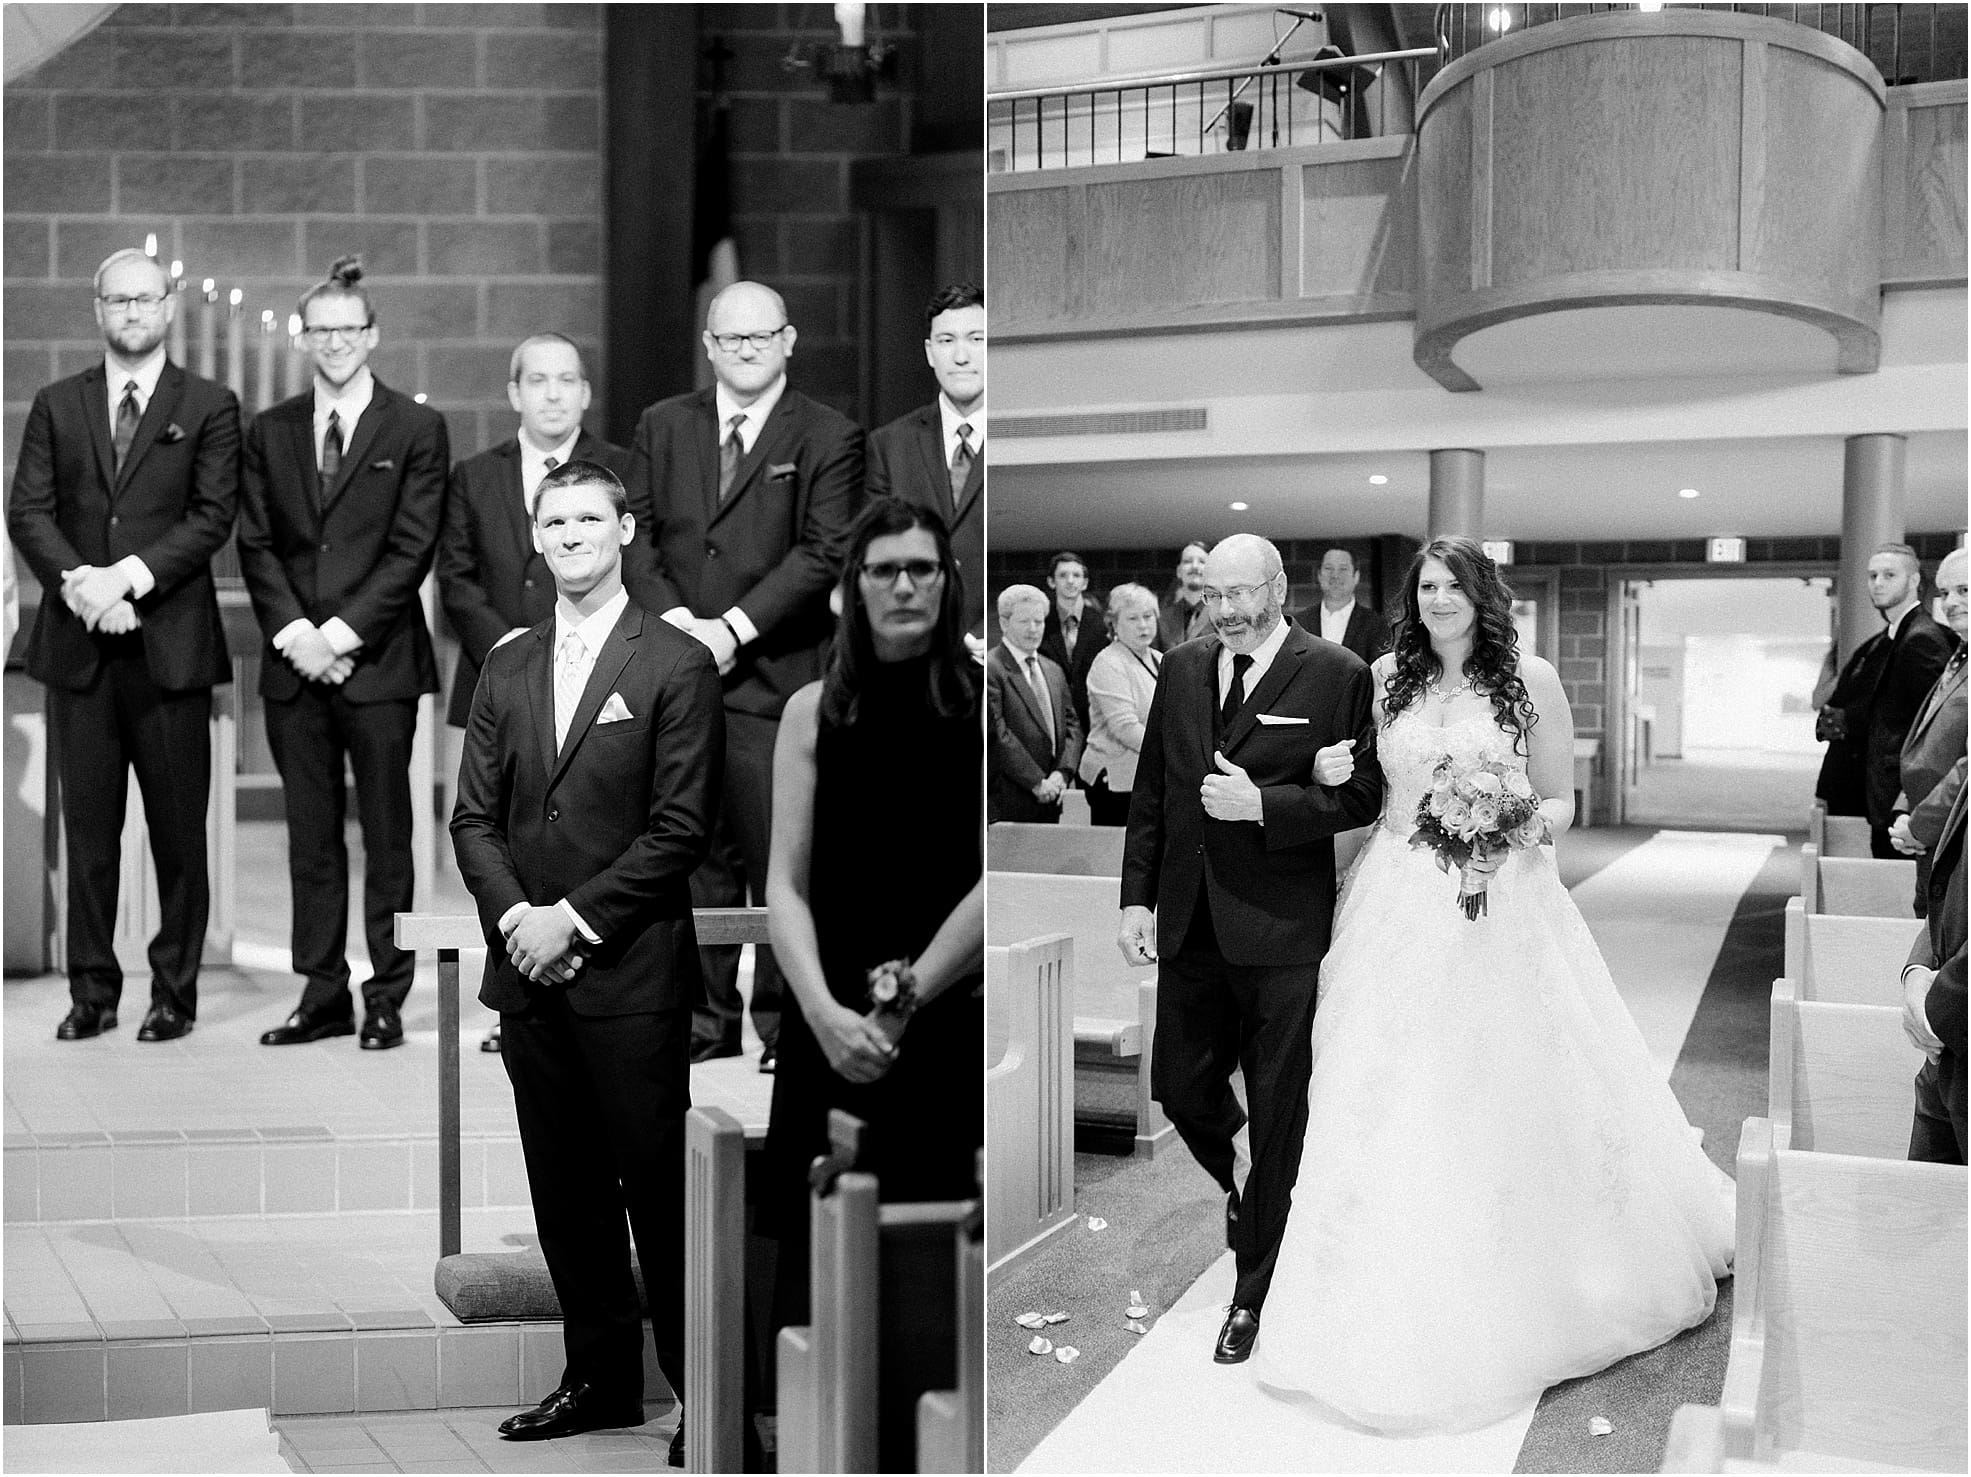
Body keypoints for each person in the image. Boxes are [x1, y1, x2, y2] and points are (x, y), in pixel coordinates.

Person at [1250, 536, 1734, 1434]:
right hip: (1392, 896)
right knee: (1372, 1080)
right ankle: (1369, 1267)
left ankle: (1527, 1265)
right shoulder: (1385, 674)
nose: (1438, 600)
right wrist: (1328, 778)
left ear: (1482, 594)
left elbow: (1560, 800)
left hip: (1498, 896)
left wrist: (1507, 822)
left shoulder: (1530, 679)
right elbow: (1363, 786)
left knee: (1501, 1078)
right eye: (1425, 586)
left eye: (1453, 586)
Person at [450, 461, 722, 1459]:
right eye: (552, 520)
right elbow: (472, 817)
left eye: (587, 519)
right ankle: (601, 1380)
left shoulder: (676, 661)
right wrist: (520, 917)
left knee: (659, 1192)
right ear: (535, 535)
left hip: (629, 970)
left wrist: (573, 918)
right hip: (528, 970)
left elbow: (681, 828)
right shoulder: (508, 662)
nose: (569, 535)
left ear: (624, 531)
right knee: (562, 1192)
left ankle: (709, 1392)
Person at [1118, 534, 1384, 1365]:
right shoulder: (1185, 666)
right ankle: (1246, 1178)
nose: (1227, 611)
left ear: (1278, 587)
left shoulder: (1336, 672)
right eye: (1214, 596)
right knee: (1179, 1087)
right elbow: (1154, 792)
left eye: (1243, 594)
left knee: (1280, 1109)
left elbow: (1365, 795)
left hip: (1280, 930)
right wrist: (1135, 897)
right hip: (1190, 921)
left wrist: (1263, 806)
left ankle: (1252, 1292)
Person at [760, 496, 982, 1468]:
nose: (904, 585)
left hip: (940, 1022)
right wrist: (821, 1011)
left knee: (924, 1265)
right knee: (819, 1262)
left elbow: (988, 877)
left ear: (945, 579)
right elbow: (785, 884)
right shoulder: (814, 710)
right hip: (830, 1026)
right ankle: (815, 1446)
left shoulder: (979, 699)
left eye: (921, 569)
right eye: (885, 568)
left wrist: (911, 993)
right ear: (855, 585)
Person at [627, 279, 864, 1069]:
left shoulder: (829, 435)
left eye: (760, 337)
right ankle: (706, 1017)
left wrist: (729, 628)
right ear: (708, 345)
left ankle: (785, 1024)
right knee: (692, 857)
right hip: (678, 679)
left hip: (776, 682)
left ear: (789, 341)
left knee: (780, 863)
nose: (745, 351)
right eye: (729, 339)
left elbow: (824, 550)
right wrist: (681, 629)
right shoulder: (663, 424)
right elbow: (640, 537)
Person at [8, 247, 240, 1044]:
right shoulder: (57, 401)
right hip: (80, 648)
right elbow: (28, 511)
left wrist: (126, 580)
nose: (132, 313)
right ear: (96, 309)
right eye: (118, 300)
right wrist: (81, 585)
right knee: (91, 833)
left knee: (178, 834)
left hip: (168, 645)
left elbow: (212, 516)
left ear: (169, 306)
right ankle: (93, 989)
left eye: (145, 299)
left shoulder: (209, 403)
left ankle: (173, 990)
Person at [236, 256, 448, 1052]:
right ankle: (321, 990)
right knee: (310, 836)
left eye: (347, 329)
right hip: (295, 668)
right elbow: (255, 542)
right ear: (304, 337)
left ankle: (386, 993)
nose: (334, 342)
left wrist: (342, 635)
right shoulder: (272, 429)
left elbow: (411, 547)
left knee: (388, 835)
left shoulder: (415, 428)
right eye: (319, 330)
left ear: (372, 335)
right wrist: (298, 637)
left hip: (379, 663)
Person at [436, 332, 632, 1054]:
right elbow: (455, 575)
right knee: (500, 835)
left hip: (598, 680)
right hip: (499, 677)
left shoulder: (621, 470)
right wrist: (511, 657)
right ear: (514, 392)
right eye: (536, 380)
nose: (552, 392)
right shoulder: (473, 474)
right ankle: (515, 982)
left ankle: (580, 972)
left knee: (582, 831)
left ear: (584, 392)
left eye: (566, 379)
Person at [1816, 544, 1953, 858]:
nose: (1877, 583)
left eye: (1889, 575)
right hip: (1882, 788)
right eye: (1872, 575)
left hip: (1899, 793)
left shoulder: (1920, 638)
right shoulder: (1892, 637)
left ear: (1914, 580)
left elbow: (1933, 727)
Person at [866, 284, 985, 640]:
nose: (961, 356)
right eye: (947, 341)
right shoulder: (887, 445)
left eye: (976, 339)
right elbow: (873, 558)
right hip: (913, 649)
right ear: (931, 353)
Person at [1889, 547, 1967, 915]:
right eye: (1945, 592)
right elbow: (1925, 744)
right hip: (1929, 838)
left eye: (1964, 591)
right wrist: (1904, 811)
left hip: (1955, 837)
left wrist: (1920, 826)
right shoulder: (1959, 656)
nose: (1950, 602)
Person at [1903, 760, 1966, 1165]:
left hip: (1952, 1023)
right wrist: (1916, 974)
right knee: (1919, 1220)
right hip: (1944, 1061)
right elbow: (1950, 893)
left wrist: (1933, 1008)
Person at [988, 583, 1081, 824]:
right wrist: (1037, 783)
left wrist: (1062, 773)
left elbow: (1072, 725)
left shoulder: (1054, 669)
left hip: (1053, 797)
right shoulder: (991, 668)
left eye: (1038, 622)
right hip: (1009, 799)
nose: (1033, 629)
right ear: (1004, 623)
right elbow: (998, 735)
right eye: (1024, 622)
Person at [1078, 583, 1161, 826]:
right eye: (1133, 618)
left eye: (1148, 616)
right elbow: (1125, 728)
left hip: (1147, 778)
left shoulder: (1159, 658)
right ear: (1113, 623)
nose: (1143, 625)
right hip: (1115, 781)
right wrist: (1170, 751)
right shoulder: (1108, 662)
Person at [1038, 549, 1107, 735]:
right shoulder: (1040, 623)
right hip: (1053, 716)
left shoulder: (1101, 625)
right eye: (1063, 575)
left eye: (1076, 575)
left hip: (1093, 718)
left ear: (1084, 583)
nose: (1070, 581)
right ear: (1051, 581)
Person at [1292, 546, 1392, 662]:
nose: (1335, 575)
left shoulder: (1376, 625)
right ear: (1319, 575)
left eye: (1343, 569)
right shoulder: (1299, 623)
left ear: (1356, 576)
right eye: (1328, 568)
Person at [1156, 541, 1211, 651]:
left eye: (1202, 562)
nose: (1195, 566)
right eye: (1188, 561)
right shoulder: (1162, 619)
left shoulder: (1222, 614)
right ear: (1179, 571)